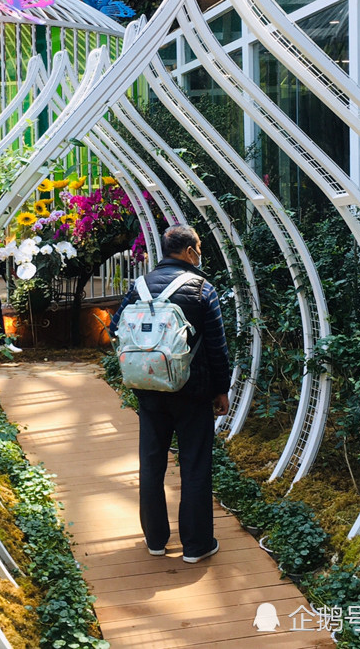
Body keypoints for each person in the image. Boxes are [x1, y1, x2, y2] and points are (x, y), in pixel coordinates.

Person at [109, 224, 230, 563]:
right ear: (190, 251)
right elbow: (217, 348)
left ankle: (156, 541)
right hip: (193, 391)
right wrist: (222, 389)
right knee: (194, 464)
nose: (200, 252)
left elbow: (115, 328)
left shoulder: (140, 286)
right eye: (199, 247)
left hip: (149, 389)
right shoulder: (202, 289)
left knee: (151, 462)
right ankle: (196, 545)